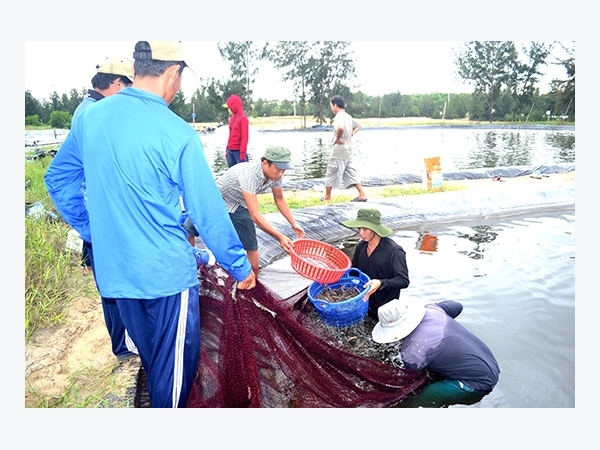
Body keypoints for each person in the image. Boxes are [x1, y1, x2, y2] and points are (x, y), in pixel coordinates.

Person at [45, 41, 256, 408]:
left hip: (117, 275)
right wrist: (238, 266)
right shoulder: (177, 133)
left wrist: (92, 229)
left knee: (153, 359)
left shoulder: (91, 118)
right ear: (172, 73)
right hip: (166, 279)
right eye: (181, 80)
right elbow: (207, 212)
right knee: (173, 381)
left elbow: (58, 180)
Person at [184, 146, 305, 276]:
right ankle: (188, 263)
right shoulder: (249, 174)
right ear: (265, 163)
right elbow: (255, 215)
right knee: (189, 229)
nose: (281, 173)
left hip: (239, 204)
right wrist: (279, 236)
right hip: (215, 197)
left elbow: (279, 199)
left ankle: (254, 277)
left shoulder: (276, 176)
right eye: (278, 169)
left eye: (283, 170)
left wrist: (293, 223)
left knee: (251, 244)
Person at [372, 297, 500, 408]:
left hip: (477, 384)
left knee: (417, 403)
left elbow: (407, 375)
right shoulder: (433, 310)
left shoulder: (412, 353)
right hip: (491, 363)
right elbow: (457, 306)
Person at [74, 56, 134, 276]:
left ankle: (90, 266)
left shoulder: (88, 107)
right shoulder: (95, 112)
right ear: (117, 83)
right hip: (94, 193)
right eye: (128, 85)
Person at [342, 208, 409, 319]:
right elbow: (355, 271)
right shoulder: (361, 246)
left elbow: (403, 280)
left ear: (375, 229)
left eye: (365, 229)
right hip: (364, 302)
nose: (360, 233)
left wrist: (380, 283)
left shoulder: (394, 250)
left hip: (386, 308)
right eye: (359, 228)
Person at [322, 95, 367, 202]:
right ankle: (362, 194)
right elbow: (358, 126)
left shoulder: (338, 117)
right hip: (348, 151)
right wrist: (350, 134)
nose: (331, 108)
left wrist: (338, 138)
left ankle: (327, 197)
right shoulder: (347, 116)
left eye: (331, 105)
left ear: (335, 105)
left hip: (338, 151)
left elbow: (340, 128)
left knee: (331, 173)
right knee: (351, 172)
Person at [223, 94, 249, 167]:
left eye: (229, 107)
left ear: (234, 107)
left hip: (238, 152)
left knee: (243, 175)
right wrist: (227, 150)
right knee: (231, 175)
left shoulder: (243, 119)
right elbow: (230, 135)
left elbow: (245, 137)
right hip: (230, 151)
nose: (228, 110)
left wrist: (242, 154)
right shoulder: (232, 119)